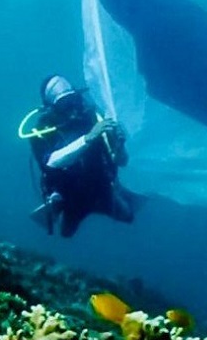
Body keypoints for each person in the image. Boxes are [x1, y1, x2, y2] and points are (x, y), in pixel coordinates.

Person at [20, 74, 139, 237]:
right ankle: (58, 204)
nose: (73, 109)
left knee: (128, 216)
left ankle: (117, 193)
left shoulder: (92, 118)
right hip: (69, 193)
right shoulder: (40, 130)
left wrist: (119, 146)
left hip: (100, 185)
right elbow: (51, 162)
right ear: (51, 107)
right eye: (64, 104)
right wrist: (88, 138)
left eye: (74, 100)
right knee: (66, 233)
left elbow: (121, 161)